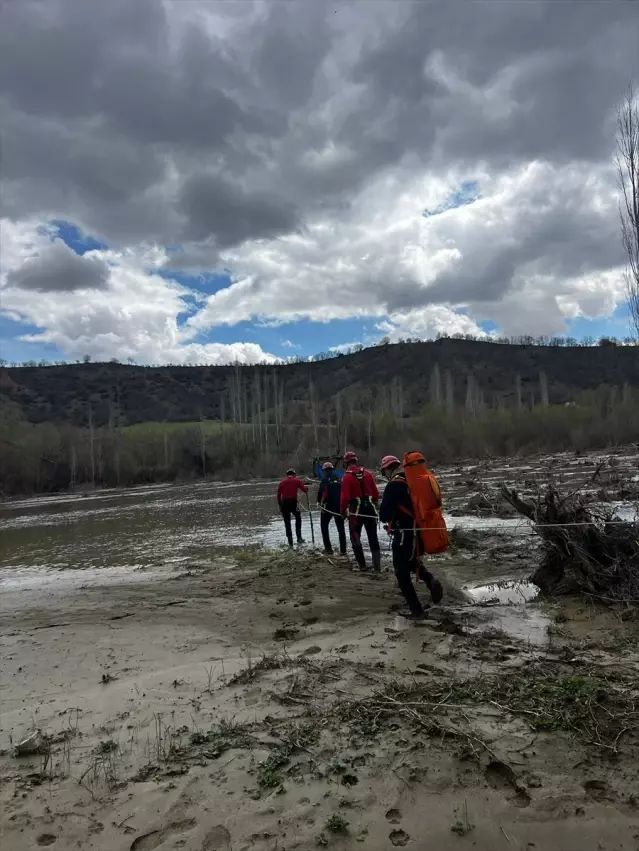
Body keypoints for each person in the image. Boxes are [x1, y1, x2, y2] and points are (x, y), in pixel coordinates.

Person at [378, 454, 443, 619]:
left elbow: (384, 515)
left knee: (401, 573)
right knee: (412, 562)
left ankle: (417, 611)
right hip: (419, 532)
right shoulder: (412, 482)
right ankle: (430, 580)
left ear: (387, 470)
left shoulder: (393, 486)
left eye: (384, 472)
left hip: (403, 535)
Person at [340, 450, 381, 572]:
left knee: (355, 537)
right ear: (356, 461)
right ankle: (377, 567)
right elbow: (376, 494)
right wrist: (375, 505)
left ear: (345, 463)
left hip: (355, 511)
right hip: (370, 509)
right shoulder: (368, 474)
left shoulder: (347, 477)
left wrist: (342, 511)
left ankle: (362, 566)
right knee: (373, 538)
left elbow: (345, 498)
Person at [317, 461, 347, 556]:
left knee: (324, 528)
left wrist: (319, 503)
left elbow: (320, 495)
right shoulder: (339, 480)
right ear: (332, 469)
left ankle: (328, 549)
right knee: (341, 529)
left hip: (327, 508)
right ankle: (343, 551)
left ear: (324, 471)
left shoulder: (324, 481)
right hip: (338, 507)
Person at [277, 468, 307, 547]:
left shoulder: (282, 482)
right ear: (294, 474)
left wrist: (280, 506)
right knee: (298, 517)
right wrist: (306, 489)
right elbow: (304, 490)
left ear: (287, 475)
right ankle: (299, 538)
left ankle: (290, 542)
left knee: (287, 522)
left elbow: (278, 495)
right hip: (293, 503)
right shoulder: (297, 481)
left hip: (284, 504)